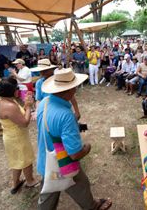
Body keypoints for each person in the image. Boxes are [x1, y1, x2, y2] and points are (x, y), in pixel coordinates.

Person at [36, 68, 112, 210]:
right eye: (75, 86)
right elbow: (74, 154)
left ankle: (91, 205)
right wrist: (87, 147)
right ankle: (92, 206)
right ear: (70, 90)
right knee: (80, 184)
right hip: (63, 163)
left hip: (45, 159)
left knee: (49, 191)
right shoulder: (65, 115)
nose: (76, 89)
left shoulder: (44, 102)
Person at [0, 78, 40, 194]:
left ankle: (16, 183)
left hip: (12, 136)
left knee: (17, 160)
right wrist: (29, 106)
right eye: (17, 88)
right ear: (12, 91)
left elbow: (19, 116)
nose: (18, 90)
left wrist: (25, 105)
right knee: (25, 159)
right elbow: (24, 123)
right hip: (17, 137)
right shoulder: (9, 106)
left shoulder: (5, 100)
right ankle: (30, 181)